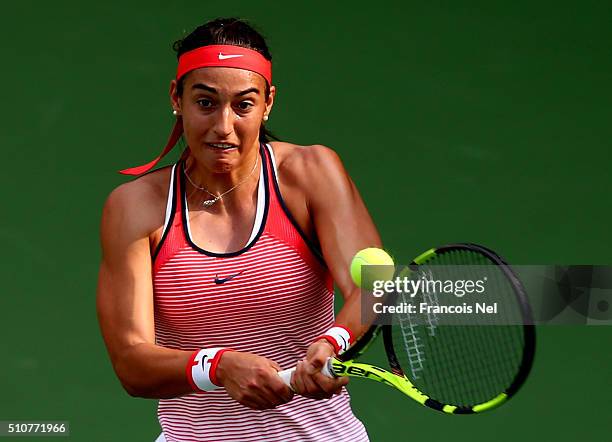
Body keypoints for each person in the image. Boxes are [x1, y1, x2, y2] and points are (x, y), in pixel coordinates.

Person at [97, 17, 382, 442]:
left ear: (268, 102)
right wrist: (218, 366)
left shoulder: (310, 174)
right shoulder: (134, 208)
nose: (223, 127)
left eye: (243, 105)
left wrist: (332, 342)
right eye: (206, 103)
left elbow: (375, 285)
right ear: (177, 98)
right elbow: (131, 363)